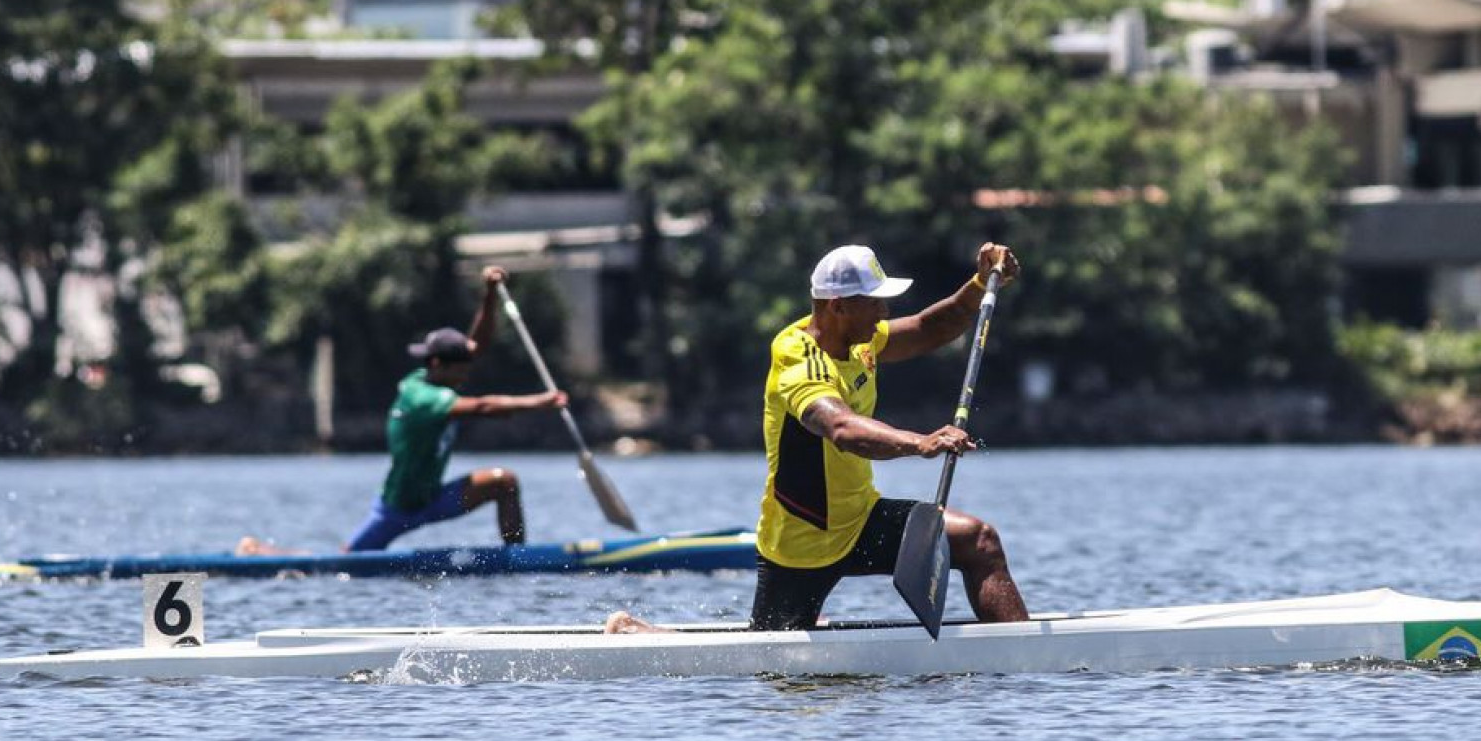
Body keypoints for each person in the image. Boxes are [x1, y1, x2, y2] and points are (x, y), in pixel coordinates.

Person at [607, 242, 1029, 632]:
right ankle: (637, 633)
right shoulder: (798, 360)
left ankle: (1022, 654)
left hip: (862, 519)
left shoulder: (860, 342)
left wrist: (978, 284)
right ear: (839, 306)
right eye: (875, 301)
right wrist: (919, 443)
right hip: (802, 541)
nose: (883, 311)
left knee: (979, 541)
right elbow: (842, 429)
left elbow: (927, 328)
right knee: (769, 657)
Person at [344, 265, 569, 552]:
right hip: (398, 507)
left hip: (435, 498)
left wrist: (489, 295)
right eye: (462, 369)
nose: (467, 374)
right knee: (349, 559)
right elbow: (483, 406)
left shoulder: (440, 377)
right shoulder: (419, 396)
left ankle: (517, 558)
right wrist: (540, 402)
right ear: (438, 364)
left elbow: (478, 344)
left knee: (504, 482)